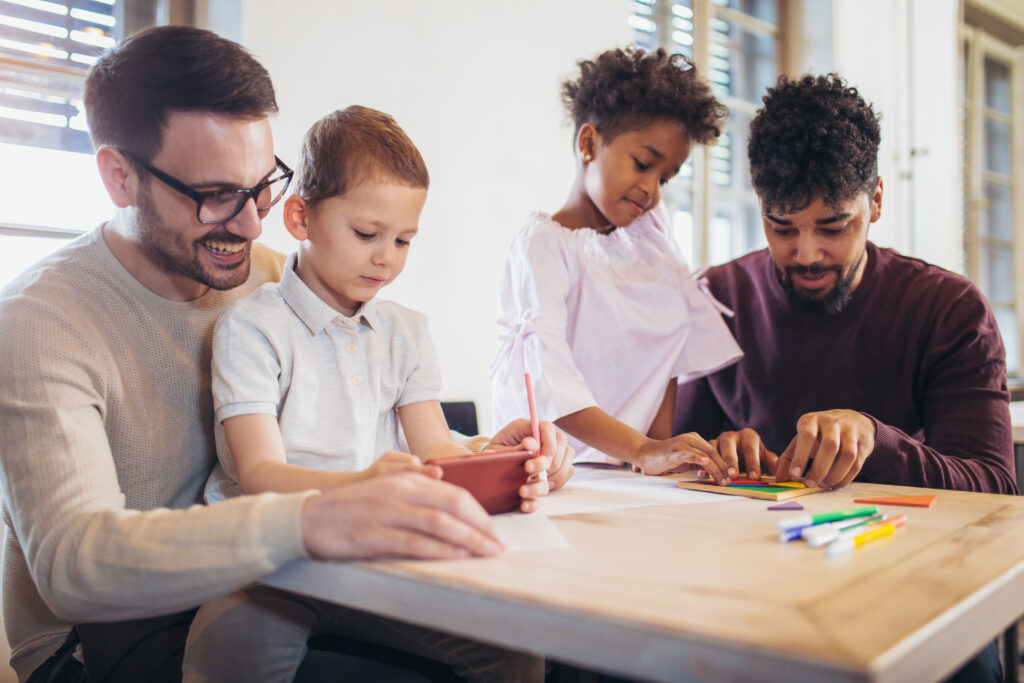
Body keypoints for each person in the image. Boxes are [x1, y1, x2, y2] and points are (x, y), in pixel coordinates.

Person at [0, 25, 570, 682]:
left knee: (529, 643)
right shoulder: (37, 321)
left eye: (262, 184)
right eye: (215, 194)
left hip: (290, 571)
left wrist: (492, 455)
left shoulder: (281, 277)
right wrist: (314, 519)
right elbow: (78, 567)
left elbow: (378, 432)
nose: (251, 223)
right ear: (119, 175)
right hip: (108, 634)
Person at [182, 106, 566, 682]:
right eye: (367, 234)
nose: (387, 257)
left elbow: (438, 452)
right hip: (274, 563)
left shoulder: (406, 331)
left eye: (405, 240)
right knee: (228, 650)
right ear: (300, 218)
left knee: (516, 652)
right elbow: (260, 473)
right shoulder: (252, 329)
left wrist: (505, 465)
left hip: (382, 558)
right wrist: (368, 485)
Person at [673, 73, 1017, 498]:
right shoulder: (716, 298)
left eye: (832, 227)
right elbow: (675, 460)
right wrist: (715, 454)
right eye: (782, 229)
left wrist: (876, 441)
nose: (807, 254)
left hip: (899, 548)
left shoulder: (949, 309)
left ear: (875, 201)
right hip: (749, 551)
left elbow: (994, 487)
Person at [491, 47, 742, 481]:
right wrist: (643, 449)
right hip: (555, 475)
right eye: (643, 164)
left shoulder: (652, 239)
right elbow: (549, 382)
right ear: (588, 143)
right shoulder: (542, 247)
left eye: (665, 177)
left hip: (632, 477)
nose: (652, 189)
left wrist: (659, 452)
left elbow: (668, 353)